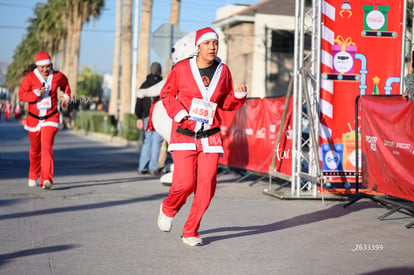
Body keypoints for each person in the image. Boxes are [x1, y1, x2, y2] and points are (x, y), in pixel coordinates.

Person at [157, 27, 248, 246]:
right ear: (198, 47)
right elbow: (167, 94)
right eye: (207, 43)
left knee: (206, 187)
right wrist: (180, 114)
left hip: (211, 136)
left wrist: (238, 96)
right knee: (185, 184)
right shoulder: (181, 68)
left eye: (215, 43)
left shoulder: (223, 71)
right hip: (184, 134)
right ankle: (169, 208)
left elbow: (224, 102)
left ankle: (190, 231)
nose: (212, 47)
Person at [18, 51, 71, 189]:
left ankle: (46, 179)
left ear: (51, 65)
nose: (45, 69)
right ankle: (33, 174)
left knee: (46, 148)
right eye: (42, 67)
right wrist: (35, 93)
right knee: (35, 150)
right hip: (34, 119)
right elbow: (22, 95)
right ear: (37, 66)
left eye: (47, 66)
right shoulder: (30, 78)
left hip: (51, 117)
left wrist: (66, 97)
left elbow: (65, 85)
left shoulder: (58, 76)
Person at [135, 62, 165, 176]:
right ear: (160, 72)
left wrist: (139, 117)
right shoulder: (162, 84)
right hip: (159, 117)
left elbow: (139, 102)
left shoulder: (145, 85)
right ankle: (153, 167)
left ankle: (142, 167)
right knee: (157, 141)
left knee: (147, 141)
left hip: (147, 117)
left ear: (149, 71)